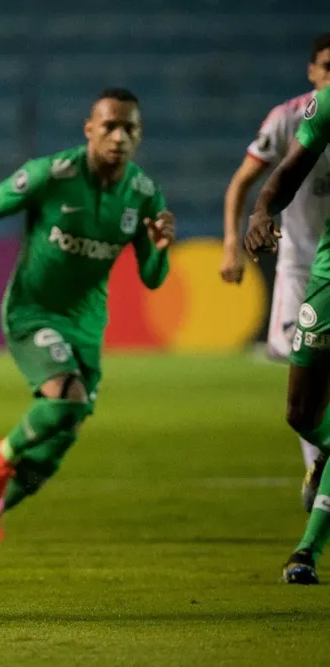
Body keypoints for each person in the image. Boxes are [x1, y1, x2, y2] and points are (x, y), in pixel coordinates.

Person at [0, 88, 175, 543]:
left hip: (86, 324)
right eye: (110, 126)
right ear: (89, 130)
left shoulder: (142, 193)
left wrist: (161, 249)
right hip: (33, 312)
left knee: (62, 436)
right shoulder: (53, 174)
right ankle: (3, 452)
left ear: (139, 136)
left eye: (130, 128)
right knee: (70, 399)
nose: (119, 136)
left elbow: (153, 278)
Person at [221, 34, 330, 509]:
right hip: (300, 264)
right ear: (311, 70)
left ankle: (319, 476)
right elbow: (247, 181)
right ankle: (318, 463)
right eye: (327, 65)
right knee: (300, 378)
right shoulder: (289, 118)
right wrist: (233, 243)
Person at [244, 84, 330, 584]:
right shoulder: (325, 106)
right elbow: (287, 173)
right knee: (301, 412)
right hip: (327, 268)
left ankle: (306, 551)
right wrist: (261, 213)